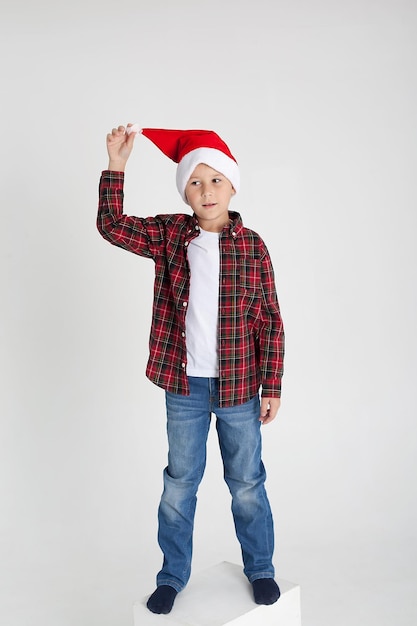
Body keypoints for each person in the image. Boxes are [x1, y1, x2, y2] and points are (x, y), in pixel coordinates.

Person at [97, 124, 285, 615]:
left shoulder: (253, 246)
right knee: (180, 483)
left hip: (241, 386)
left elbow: (269, 318)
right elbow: (112, 226)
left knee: (246, 482)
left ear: (233, 185)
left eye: (216, 180)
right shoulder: (168, 235)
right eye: (196, 182)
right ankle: (172, 576)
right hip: (184, 386)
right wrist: (117, 166)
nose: (206, 191)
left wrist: (273, 385)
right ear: (185, 191)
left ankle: (260, 568)